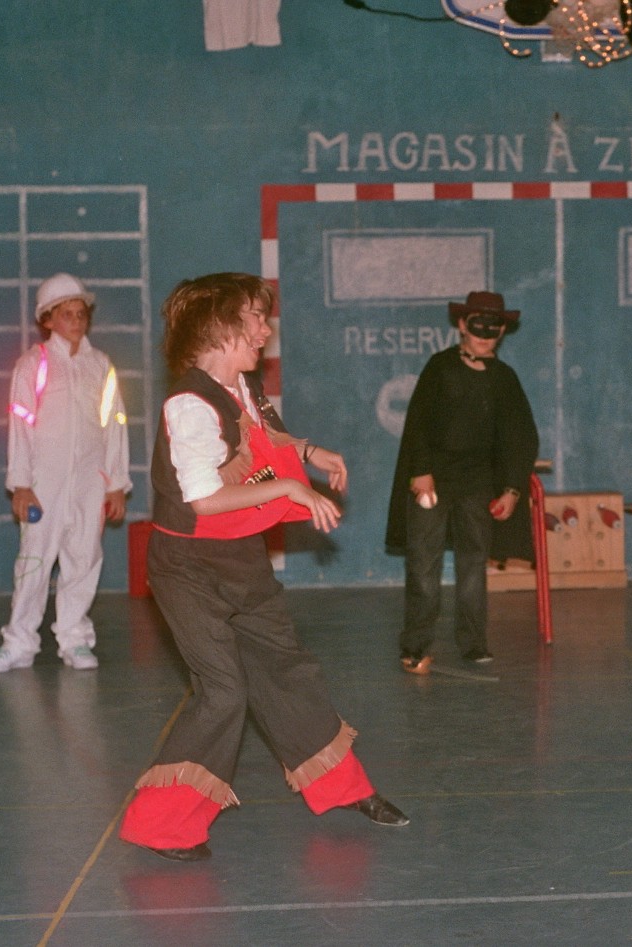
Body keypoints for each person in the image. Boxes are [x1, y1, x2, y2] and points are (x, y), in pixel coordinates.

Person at [118, 273, 407, 862]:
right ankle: (161, 825)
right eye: (253, 316)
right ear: (217, 328)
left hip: (239, 558)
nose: (264, 328)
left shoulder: (241, 387)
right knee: (224, 692)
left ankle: (345, 789)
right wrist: (290, 489)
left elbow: (263, 439)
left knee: (288, 671)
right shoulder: (189, 406)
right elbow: (204, 500)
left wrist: (309, 452)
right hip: (188, 569)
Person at [0, 273, 131, 673]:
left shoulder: (101, 365)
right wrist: (21, 485)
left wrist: (116, 484)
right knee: (33, 562)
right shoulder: (34, 364)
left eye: (81, 313)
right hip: (43, 484)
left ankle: (75, 639)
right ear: (47, 319)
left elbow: (115, 424)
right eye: (67, 314)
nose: (77, 321)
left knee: (83, 559)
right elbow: (20, 424)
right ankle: (19, 643)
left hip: (89, 483)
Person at [384, 291, 539, 674]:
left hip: (478, 485)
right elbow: (418, 424)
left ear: (502, 331)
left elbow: (521, 437)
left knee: (473, 567)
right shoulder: (440, 367)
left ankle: (473, 643)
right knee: (423, 566)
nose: (485, 333)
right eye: (477, 324)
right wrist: (421, 472)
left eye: (493, 326)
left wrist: (511, 489)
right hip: (433, 482)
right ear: (462, 325)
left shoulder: (504, 378)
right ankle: (415, 645)